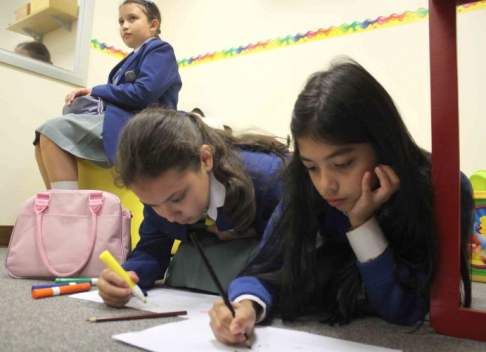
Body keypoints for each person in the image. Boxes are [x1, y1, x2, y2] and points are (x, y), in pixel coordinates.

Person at [208, 59, 474, 346]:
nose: (326, 184)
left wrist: (362, 223)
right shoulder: (306, 186)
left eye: (343, 163)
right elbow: (266, 266)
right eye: (312, 166)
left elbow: (405, 309)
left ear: (383, 145)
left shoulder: (444, 190)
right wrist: (245, 306)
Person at [97, 108, 289, 307]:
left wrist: (251, 232)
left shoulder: (268, 178)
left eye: (178, 198)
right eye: (152, 205)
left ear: (205, 159)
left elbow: (288, 249)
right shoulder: (160, 196)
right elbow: (151, 248)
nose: (169, 216)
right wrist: (125, 278)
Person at [34, 0, 182, 190]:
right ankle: (59, 205)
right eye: (121, 22)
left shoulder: (161, 50)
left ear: (153, 25)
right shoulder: (129, 60)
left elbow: (143, 93)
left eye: (132, 18)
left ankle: (67, 212)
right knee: (41, 137)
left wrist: (96, 90)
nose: (124, 26)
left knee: (51, 131)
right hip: (124, 119)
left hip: (145, 125)